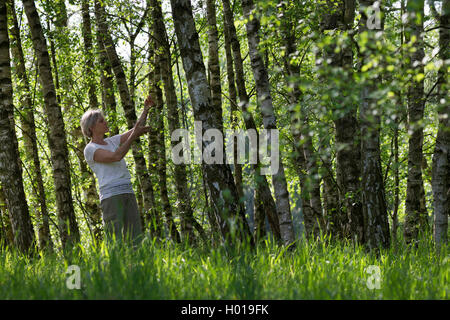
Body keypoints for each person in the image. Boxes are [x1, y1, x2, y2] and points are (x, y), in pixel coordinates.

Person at [81, 95, 154, 245]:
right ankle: (114, 268)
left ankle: (135, 268)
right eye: (101, 121)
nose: (105, 122)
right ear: (91, 128)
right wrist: (134, 135)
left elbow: (135, 129)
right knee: (115, 240)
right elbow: (116, 156)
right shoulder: (90, 149)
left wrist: (146, 110)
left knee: (135, 238)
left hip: (128, 192)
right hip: (111, 197)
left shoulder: (111, 141)